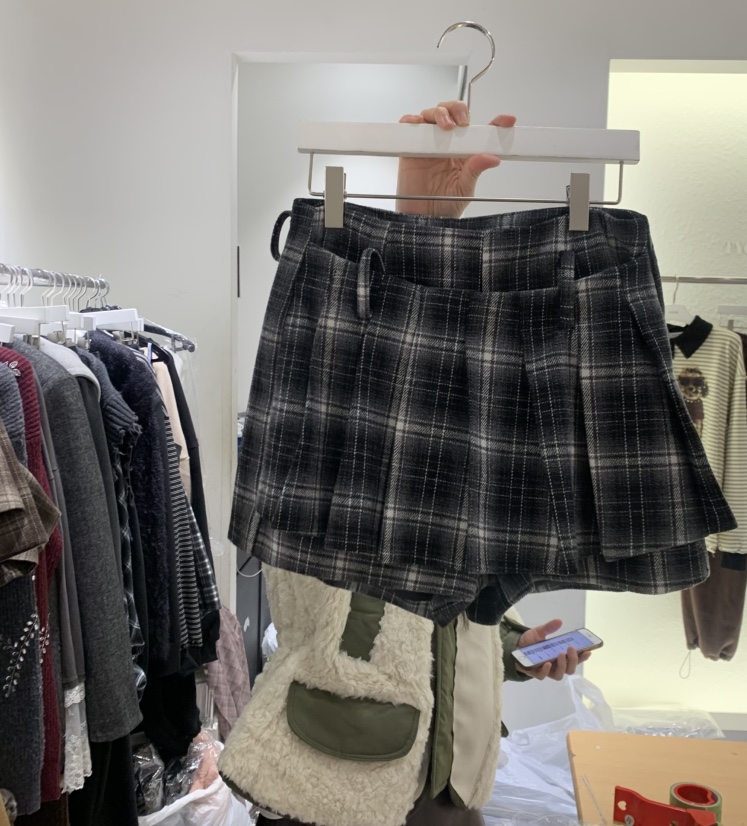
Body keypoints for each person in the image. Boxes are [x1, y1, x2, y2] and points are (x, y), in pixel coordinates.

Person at [230, 100, 593, 826]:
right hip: (332, 778)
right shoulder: (336, 433)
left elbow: (451, 609)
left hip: (449, 782)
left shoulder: (475, 452)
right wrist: (417, 225)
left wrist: (518, 646)